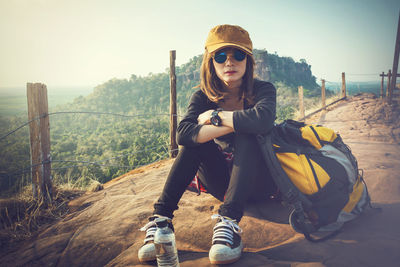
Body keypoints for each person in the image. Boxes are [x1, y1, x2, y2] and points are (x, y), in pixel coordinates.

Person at [138, 24, 277, 265]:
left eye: (238, 54)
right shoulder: (203, 96)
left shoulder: (264, 90)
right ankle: (161, 220)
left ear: (249, 61)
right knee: (195, 142)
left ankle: (229, 223)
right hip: (222, 184)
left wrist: (215, 118)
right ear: (211, 62)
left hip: (261, 182)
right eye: (220, 56)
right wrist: (239, 121)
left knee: (246, 133)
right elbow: (183, 134)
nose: (229, 62)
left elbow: (262, 120)